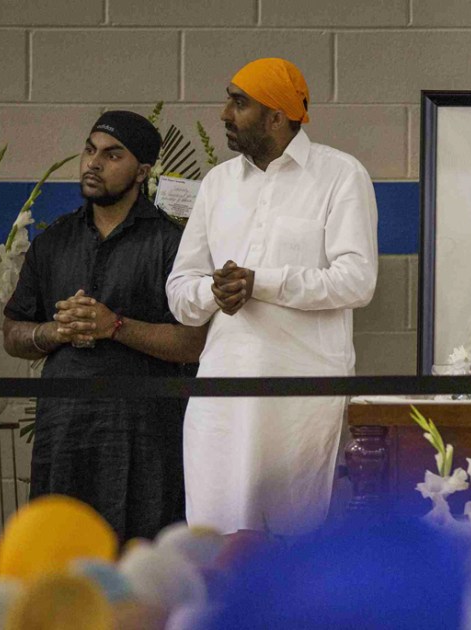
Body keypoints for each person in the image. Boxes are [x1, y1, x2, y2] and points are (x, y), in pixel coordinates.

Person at [165, 58, 378, 536]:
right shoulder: (218, 184)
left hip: (300, 395)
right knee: (212, 541)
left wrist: (262, 281)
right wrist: (213, 292)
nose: (224, 113)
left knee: (288, 547)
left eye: (238, 103)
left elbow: (357, 280)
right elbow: (181, 292)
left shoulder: (340, 175)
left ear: (277, 116)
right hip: (220, 390)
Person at [2, 111, 206, 541]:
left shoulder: (171, 245)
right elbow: (13, 332)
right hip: (64, 432)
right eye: (90, 150)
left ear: (143, 172)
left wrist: (114, 325)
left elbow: (193, 344)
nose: (93, 163)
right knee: (59, 558)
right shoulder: (53, 242)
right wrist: (52, 333)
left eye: (113, 155)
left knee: (140, 571)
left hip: (145, 437)